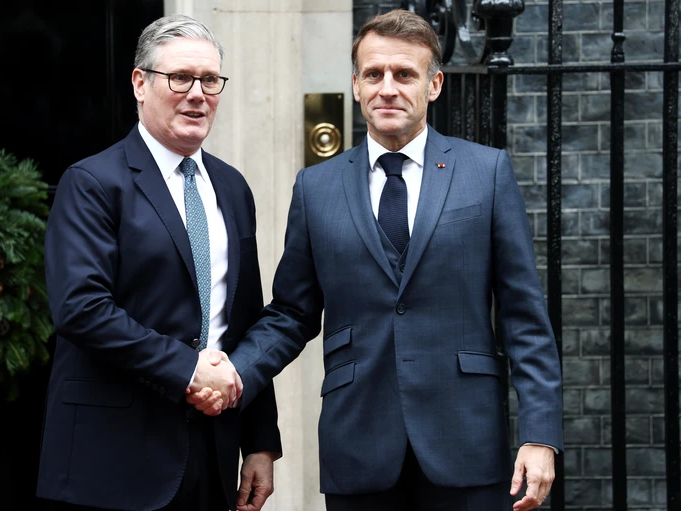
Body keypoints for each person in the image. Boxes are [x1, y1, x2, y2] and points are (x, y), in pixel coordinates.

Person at [189, 8, 563, 511]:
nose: (388, 88)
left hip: (465, 441)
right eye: (374, 74)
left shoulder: (486, 172)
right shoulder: (316, 188)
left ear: (433, 85)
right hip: (357, 444)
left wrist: (540, 434)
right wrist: (232, 373)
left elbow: (524, 316)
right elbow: (292, 313)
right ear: (356, 85)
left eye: (404, 74)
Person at [37, 13, 281, 511]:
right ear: (140, 83)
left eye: (209, 80)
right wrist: (189, 370)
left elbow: (245, 319)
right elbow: (81, 309)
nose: (197, 94)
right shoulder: (91, 183)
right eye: (180, 78)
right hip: (115, 457)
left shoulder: (232, 187)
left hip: (212, 451)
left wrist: (259, 441)